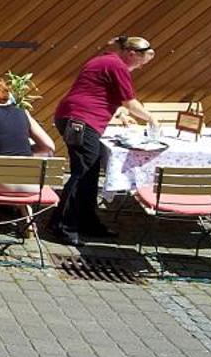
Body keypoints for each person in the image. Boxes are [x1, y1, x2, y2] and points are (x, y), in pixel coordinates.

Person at [49, 35, 156, 246]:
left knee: (89, 171)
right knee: (83, 172)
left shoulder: (105, 61)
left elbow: (98, 92)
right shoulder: (117, 65)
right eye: (140, 63)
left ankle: (86, 221)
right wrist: (152, 119)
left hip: (74, 118)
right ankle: (63, 226)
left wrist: (119, 114)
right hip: (80, 121)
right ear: (131, 53)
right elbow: (130, 101)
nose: (140, 68)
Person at [0, 75, 56, 217]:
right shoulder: (23, 112)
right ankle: (30, 225)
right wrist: (26, 154)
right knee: (20, 169)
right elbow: (49, 146)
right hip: (30, 186)